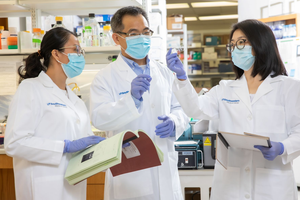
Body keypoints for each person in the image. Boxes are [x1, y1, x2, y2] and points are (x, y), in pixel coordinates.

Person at [166, 19, 300, 200]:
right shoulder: (225, 88)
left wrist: (282, 147)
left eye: (242, 42)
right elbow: (195, 109)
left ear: (262, 43)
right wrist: (182, 78)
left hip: (272, 186)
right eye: (232, 45)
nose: (236, 49)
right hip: (230, 188)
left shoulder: (289, 87)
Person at [90, 6, 189, 200]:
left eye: (146, 32)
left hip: (165, 170)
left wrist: (175, 122)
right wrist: (131, 100)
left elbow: (181, 108)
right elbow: (99, 118)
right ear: (117, 38)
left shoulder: (164, 72)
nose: (142, 38)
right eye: (133, 34)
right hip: (129, 176)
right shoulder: (104, 78)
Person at [4, 27, 105, 200]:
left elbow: (85, 146)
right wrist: (63, 147)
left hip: (73, 186)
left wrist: (109, 150)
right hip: (43, 187)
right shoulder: (31, 89)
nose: (80, 55)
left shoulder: (76, 100)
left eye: (81, 50)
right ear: (56, 54)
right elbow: (15, 142)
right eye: (76, 50)